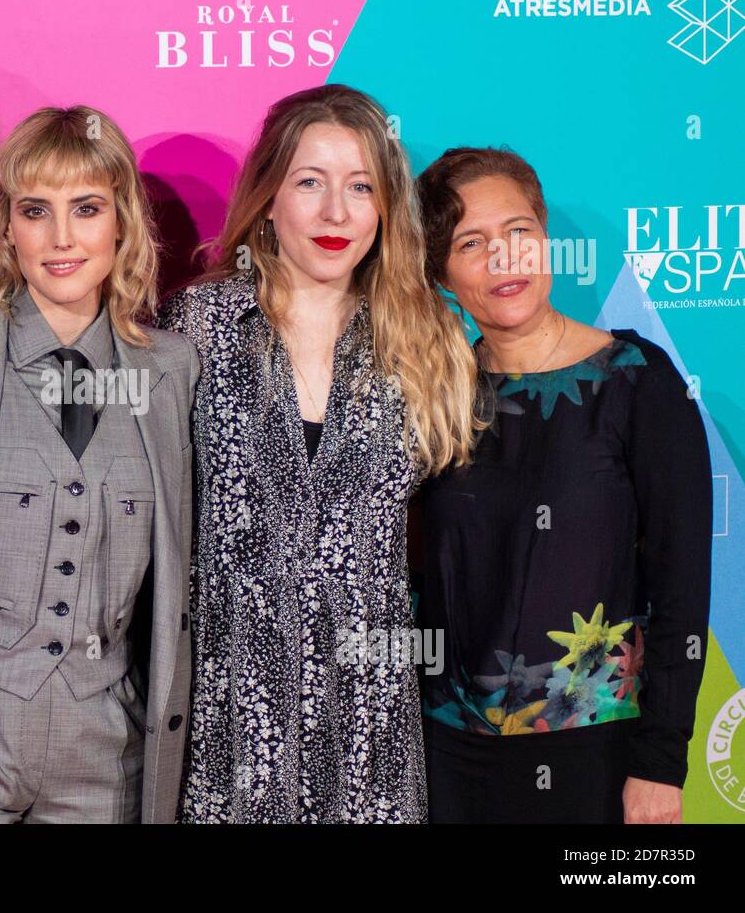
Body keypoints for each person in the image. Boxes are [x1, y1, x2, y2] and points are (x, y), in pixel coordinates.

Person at [157, 84, 481, 822]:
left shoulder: (426, 343)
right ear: (270, 197)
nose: (336, 213)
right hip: (227, 725)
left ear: (384, 208)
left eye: (360, 187)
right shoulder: (200, 326)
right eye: (311, 183)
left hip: (370, 730)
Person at [0, 105, 199, 823]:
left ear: (120, 222)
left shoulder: (173, 370)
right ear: (5, 226)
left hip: (107, 761)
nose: (62, 238)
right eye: (36, 211)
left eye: (86, 209)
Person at [414, 146, 711, 823]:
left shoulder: (635, 380)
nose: (504, 258)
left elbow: (682, 585)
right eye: (472, 242)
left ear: (546, 239)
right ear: (442, 274)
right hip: (448, 754)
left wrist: (661, 761)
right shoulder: (432, 396)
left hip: (597, 753)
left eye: (519, 232)